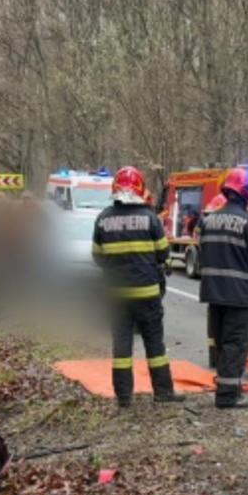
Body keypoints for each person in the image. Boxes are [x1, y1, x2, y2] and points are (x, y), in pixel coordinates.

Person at [91, 166, 174, 407]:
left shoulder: (103, 219)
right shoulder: (150, 218)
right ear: (140, 189)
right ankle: (163, 392)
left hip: (115, 294)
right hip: (147, 293)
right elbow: (163, 253)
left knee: (122, 345)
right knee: (154, 343)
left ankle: (124, 396)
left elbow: (97, 257)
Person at [196, 167, 248, 409]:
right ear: (246, 193)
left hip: (213, 292)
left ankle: (226, 387)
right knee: (235, 344)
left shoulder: (208, 221)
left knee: (220, 340)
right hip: (237, 293)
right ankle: (228, 396)